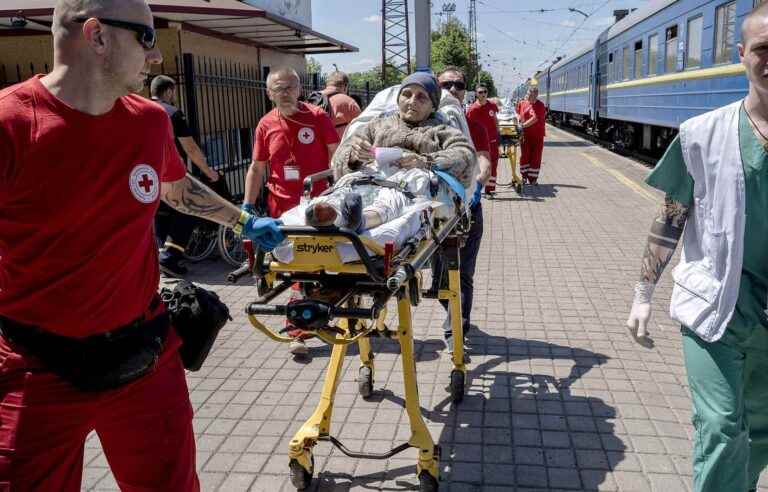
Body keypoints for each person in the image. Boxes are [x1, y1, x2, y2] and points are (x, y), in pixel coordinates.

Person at [0, 1, 283, 490]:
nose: (155, 58)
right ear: (97, 36)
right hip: (34, 370)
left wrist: (243, 220)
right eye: (147, 38)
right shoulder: (12, 124)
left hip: (144, 359)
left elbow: (178, 189)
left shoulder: (150, 121)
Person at [625, 6, 768, 491]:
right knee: (723, 427)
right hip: (714, 308)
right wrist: (643, 293)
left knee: (763, 433)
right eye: (763, 49)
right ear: (742, 55)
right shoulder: (703, 134)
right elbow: (670, 218)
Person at [243, 67, 340, 355]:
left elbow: (337, 156)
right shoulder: (265, 124)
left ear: (299, 90)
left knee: (323, 266)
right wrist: (247, 206)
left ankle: (323, 320)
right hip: (281, 209)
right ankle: (298, 331)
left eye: (289, 88)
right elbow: (257, 168)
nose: (283, 93)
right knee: (295, 268)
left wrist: (337, 190)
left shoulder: (318, 117)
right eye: (278, 89)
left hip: (318, 208)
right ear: (269, 93)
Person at [437, 66, 492, 351]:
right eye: (446, 84)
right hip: (435, 214)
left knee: (464, 273)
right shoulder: (431, 123)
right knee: (441, 279)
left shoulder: (475, 125)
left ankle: (458, 329)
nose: (453, 90)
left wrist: (479, 183)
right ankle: (452, 313)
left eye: (459, 85)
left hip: (468, 210)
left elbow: (483, 160)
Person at [150, 74, 220, 277]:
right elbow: (190, 148)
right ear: (170, 91)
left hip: (147, 177)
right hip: (170, 175)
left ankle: (164, 261)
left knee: (161, 215)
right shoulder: (172, 113)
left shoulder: (141, 109)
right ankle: (170, 257)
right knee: (191, 209)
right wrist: (209, 172)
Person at [466, 84, 499, 196]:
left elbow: (495, 120)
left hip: (493, 139)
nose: (483, 94)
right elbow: (469, 126)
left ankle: (490, 190)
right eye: (480, 92)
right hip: (480, 143)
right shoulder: (472, 109)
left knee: (493, 164)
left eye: (484, 91)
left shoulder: (492, 106)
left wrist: (498, 132)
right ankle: (478, 188)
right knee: (481, 166)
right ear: (476, 94)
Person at [517, 85, 547, 185]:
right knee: (525, 156)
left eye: (531, 95)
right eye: (529, 94)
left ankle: (533, 179)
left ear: (536, 95)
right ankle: (524, 176)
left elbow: (535, 119)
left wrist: (522, 125)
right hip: (525, 136)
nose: (529, 97)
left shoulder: (540, 105)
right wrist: (517, 121)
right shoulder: (522, 103)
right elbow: (517, 113)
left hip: (537, 136)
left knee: (536, 157)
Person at [319, 70, 362, 139]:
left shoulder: (313, 98)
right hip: (337, 147)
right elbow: (361, 129)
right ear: (345, 86)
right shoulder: (349, 102)